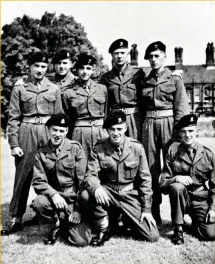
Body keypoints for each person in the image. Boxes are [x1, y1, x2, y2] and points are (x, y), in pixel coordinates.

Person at [1, 51, 63, 235]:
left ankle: (50, 215)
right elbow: (13, 118)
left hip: (47, 132)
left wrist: (57, 139)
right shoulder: (20, 88)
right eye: (36, 66)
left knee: (51, 173)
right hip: (26, 132)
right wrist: (14, 144)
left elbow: (59, 116)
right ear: (29, 67)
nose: (40, 69)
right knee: (23, 174)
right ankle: (16, 218)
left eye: (43, 66)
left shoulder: (54, 89)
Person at [81, 110, 159, 246]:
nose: (116, 133)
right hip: (108, 194)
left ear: (125, 128)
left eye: (119, 129)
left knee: (152, 236)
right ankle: (104, 226)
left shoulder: (136, 148)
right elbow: (90, 175)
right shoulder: (99, 148)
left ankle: (125, 221)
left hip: (128, 195)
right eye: (112, 129)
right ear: (107, 130)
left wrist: (146, 209)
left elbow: (145, 180)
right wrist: (97, 188)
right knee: (86, 195)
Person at [140, 41, 190, 225]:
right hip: (149, 125)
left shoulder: (175, 79)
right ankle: (153, 211)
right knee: (150, 168)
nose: (153, 60)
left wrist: (179, 132)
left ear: (164, 57)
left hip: (169, 124)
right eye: (150, 57)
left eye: (157, 56)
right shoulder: (144, 81)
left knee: (173, 166)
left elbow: (181, 107)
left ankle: (179, 214)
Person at [31, 114, 90, 245]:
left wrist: (78, 210)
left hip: (73, 199)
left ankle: (67, 223)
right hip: (54, 199)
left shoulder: (76, 148)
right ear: (48, 130)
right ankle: (55, 224)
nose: (57, 134)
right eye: (55, 130)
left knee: (81, 242)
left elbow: (83, 181)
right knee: (39, 202)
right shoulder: (41, 153)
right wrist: (54, 194)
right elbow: (38, 181)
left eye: (62, 131)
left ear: (67, 131)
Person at [159, 114, 215, 244]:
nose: (187, 135)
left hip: (201, 198)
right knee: (177, 187)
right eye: (183, 132)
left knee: (210, 234)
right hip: (183, 199)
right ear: (179, 134)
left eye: (191, 131)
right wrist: (176, 178)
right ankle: (178, 229)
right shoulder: (173, 153)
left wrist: (213, 209)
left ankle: (196, 223)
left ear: (197, 132)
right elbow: (162, 184)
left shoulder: (208, 155)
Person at [62, 53, 108, 160]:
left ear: (93, 70)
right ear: (76, 70)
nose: (85, 71)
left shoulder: (102, 89)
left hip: (100, 131)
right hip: (80, 132)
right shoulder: (68, 92)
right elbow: (66, 118)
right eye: (81, 68)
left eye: (88, 68)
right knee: (81, 163)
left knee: (103, 163)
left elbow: (106, 113)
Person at [100, 39, 146, 141]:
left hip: (134, 118)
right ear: (112, 55)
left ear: (128, 54)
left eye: (122, 53)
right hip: (115, 119)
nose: (119, 56)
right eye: (116, 53)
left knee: (135, 147)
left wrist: (173, 75)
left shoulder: (138, 74)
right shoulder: (106, 78)